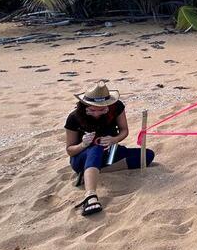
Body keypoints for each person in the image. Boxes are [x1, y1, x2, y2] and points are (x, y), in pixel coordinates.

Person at [65, 81, 154, 216]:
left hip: (109, 153)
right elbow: (70, 150)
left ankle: (91, 173)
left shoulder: (116, 107)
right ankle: (90, 196)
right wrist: (83, 144)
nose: (97, 113)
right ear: (85, 105)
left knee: (147, 156)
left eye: (102, 109)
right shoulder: (74, 117)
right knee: (96, 148)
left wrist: (114, 139)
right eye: (92, 109)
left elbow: (124, 131)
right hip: (82, 158)